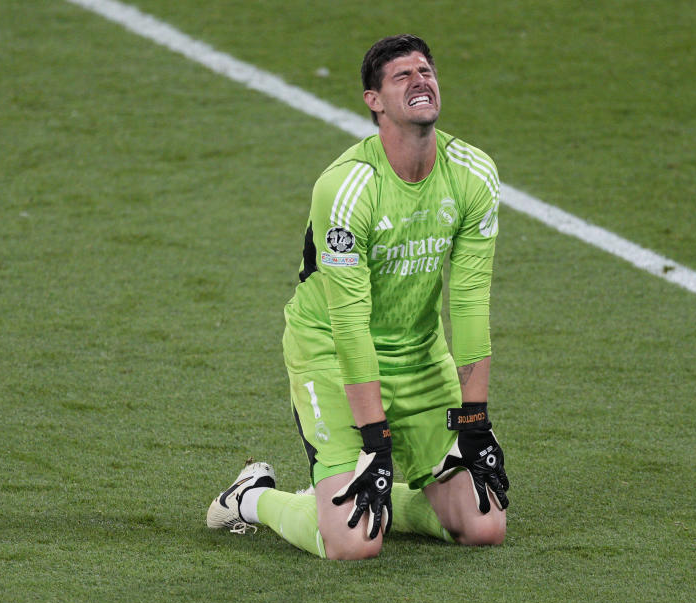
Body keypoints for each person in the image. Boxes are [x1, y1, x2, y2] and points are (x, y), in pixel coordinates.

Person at [206, 34, 509, 559]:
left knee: (484, 525)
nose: (421, 81)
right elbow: (348, 322)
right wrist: (375, 438)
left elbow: (469, 299)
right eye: (403, 76)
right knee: (351, 544)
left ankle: (387, 502)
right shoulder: (348, 188)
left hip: (417, 354)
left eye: (426, 71)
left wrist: (474, 422)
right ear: (374, 101)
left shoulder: (473, 174)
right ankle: (251, 498)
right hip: (331, 350)